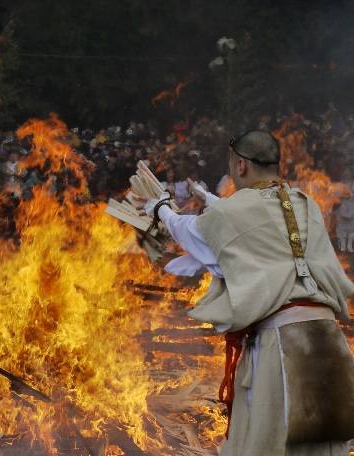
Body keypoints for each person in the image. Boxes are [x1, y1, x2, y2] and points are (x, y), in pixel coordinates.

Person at [140, 130, 354, 455]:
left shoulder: (237, 209)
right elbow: (258, 227)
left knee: (273, 445)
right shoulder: (302, 203)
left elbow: (200, 233)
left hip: (284, 347)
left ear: (240, 166)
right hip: (329, 341)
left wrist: (162, 211)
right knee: (322, 448)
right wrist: (211, 202)